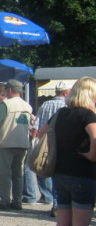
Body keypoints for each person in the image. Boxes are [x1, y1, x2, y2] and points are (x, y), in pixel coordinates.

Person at [49, 77, 96, 226]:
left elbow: (43, 132)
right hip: (82, 174)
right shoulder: (87, 115)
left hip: (60, 172)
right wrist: (92, 155)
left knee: (63, 223)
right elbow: (95, 137)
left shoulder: (60, 114)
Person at [0, 79, 33, 211]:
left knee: (3, 173)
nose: (5, 92)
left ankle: (4, 201)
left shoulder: (6, 104)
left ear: (10, 90)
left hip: (6, 142)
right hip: (22, 143)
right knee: (18, 174)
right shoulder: (27, 106)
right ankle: (17, 201)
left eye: (6, 89)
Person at [34, 82, 71, 217]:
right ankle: (59, 203)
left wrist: (37, 140)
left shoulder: (45, 105)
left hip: (46, 142)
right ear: (65, 92)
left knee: (45, 169)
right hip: (61, 143)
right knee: (60, 174)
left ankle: (49, 198)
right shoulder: (66, 107)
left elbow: (37, 125)